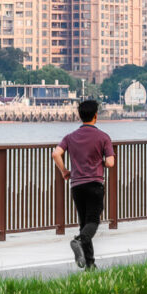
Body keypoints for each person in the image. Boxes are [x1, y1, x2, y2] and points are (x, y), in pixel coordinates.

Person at [53, 99, 114, 269]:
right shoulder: (103, 137)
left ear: (80, 116)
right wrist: (99, 162)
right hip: (94, 183)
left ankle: (90, 264)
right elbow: (110, 163)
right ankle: (78, 241)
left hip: (77, 186)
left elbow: (56, 154)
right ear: (96, 116)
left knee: (84, 223)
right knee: (93, 221)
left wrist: (64, 171)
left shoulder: (70, 137)